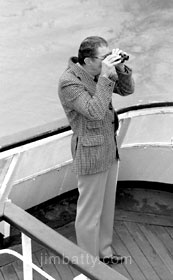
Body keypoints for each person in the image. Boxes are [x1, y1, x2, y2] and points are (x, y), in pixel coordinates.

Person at [58, 36, 134, 265]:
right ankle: (88, 263)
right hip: (90, 152)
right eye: (104, 58)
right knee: (89, 211)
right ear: (89, 60)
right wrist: (105, 77)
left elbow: (127, 91)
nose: (107, 61)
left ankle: (105, 251)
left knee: (106, 205)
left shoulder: (98, 71)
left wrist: (119, 68)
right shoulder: (69, 82)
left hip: (109, 147)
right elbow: (94, 111)